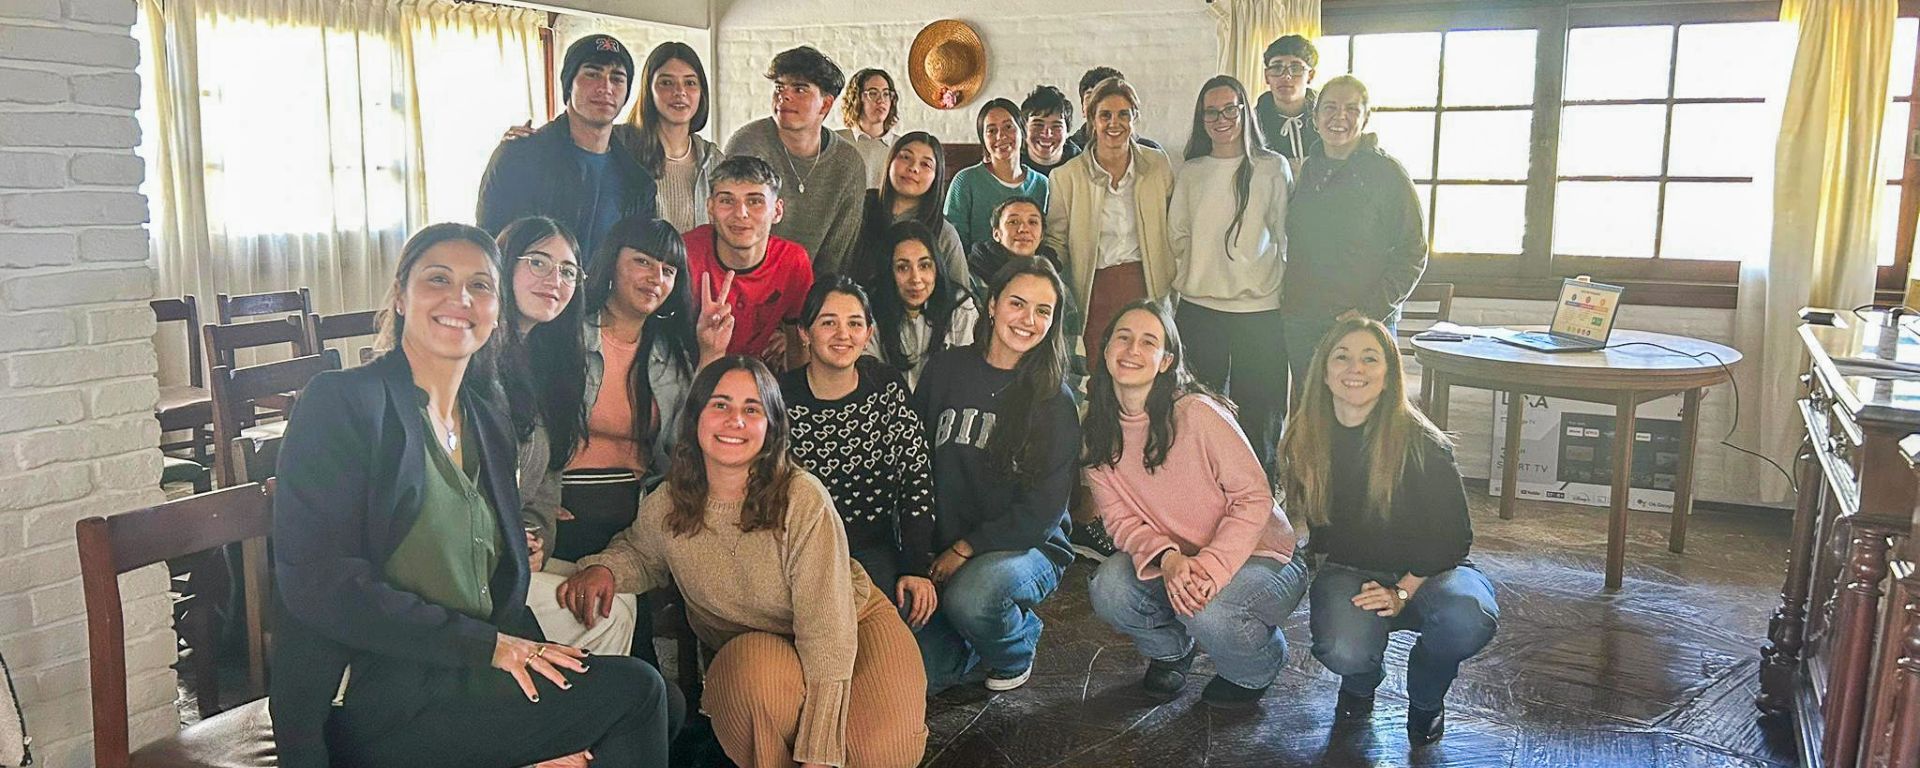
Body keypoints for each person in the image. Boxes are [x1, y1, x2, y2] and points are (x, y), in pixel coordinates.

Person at [270, 223, 671, 768]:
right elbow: (321, 584)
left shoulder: (484, 420)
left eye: (480, 285)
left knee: (658, 703)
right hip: (382, 692)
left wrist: (537, 677)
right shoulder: (345, 402)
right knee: (637, 694)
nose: (460, 299)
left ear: (497, 309)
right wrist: (491, 650)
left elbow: (501, 585)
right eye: (438, 279)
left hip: (466, 678)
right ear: (400, 295)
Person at [560, 357, 929, 768]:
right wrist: (605, 568)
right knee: (752, 687)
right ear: (696, 417)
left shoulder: (802, 498)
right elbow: (641, 553)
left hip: (850, 626)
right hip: (755, 650)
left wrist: (819, 753)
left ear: (771, 426)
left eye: (752, 409)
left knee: (881, 754)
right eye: (720, 404)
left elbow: (827, 631)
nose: (735, 420)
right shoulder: (668, 502)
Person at [1278, 317, 1497, 746]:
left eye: (1369, 358)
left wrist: (1402, 591)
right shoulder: (1306, 437)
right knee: (1344, 649)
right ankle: (1361, 678)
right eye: (1342, 357)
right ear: (1323, 372)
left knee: (1467, 618)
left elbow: (1454, 538)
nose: (1354, 369)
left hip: (1434, 572)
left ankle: (1427, 697)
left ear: (1389, 374)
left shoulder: (1422, 442)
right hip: (1351, 569)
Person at [1083, 301, 1307, 708]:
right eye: (1123, 337)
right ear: (1106, 348)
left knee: (1207, 610)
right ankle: (1172, 651)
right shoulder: (1099, 432)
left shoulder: (1197, 413)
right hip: (1179, 558)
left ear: (1166, 361)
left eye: (1148, 342)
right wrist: (1168, 559)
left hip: (1264, 556)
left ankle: (1258, 665)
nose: (1132, 350)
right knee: (1109, 587)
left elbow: (1254, 498)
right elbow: (1119, 522)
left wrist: (1210, 568)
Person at [560, 216, 733, 666]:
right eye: (642, 262)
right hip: (566, 506)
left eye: (668, 270)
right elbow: (529, 430)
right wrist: (535, 502)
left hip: (636, 507)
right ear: (611, 263)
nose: (656, 278)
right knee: (604, 616)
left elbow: (685, 444)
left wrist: (710, 353)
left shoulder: (667, 353)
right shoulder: (567, 334)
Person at [912, 258, 1079, 693]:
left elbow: (1042, 513)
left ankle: (1017, 644)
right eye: (1017, 304)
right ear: (992, 305)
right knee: (918, 674)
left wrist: (965, 549)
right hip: (944, 546)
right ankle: (971, 634)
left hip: (1026, 547)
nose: (1028, 320)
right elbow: (913, 462)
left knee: (974, 598)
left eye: (1043, 311)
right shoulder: (946, 369)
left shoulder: (1055, 400)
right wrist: (917, 549)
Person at [490, 217, 639, 657]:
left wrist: (535, 537)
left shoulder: (546, 366)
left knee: (615, 596)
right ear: (502, 266)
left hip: (513, 554)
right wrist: (510, 543)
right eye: (538, 262)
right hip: (470, 568)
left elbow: (545, 487)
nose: (554, 280)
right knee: (609, 615)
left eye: (568, 271)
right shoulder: (477, 361)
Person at [779, 277, 939, 628]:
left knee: (900, 622)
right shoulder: (780, 398)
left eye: (854, 324)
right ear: (804, 333)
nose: (843, 334)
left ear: (868, 334)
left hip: (871, 548)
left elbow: (916, 478)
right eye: (828, 323)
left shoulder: (886, 385)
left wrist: (915, 566)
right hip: (798, 552)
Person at [1169, 75, 1293, 474]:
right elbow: (1177, 236)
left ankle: (1262, 495)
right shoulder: (1192, 171)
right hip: (1199, 309)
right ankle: (1205, 492)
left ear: (1245, 112)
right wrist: (1203, 270)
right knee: (1199, 412)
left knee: (1261, 414)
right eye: (1211, 112)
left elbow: (1286, 235)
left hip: (1259, 311)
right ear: (1201, 118)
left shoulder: (1272, 168)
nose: (1221, 119)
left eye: (1229, 109)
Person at [1280, 74, 1427, 387]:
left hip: (1363, 324)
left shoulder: (1388, 174)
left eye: (1351, 109)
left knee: (1364, 410)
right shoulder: (1309, 170)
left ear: (1366, 117)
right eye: (1330, 108)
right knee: (1310, 408)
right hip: (1304, 322)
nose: (1339, 117)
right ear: (1315, 118)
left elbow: (1413, 252)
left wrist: (1368, 311)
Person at [499, 42, 719, 236]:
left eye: (690, 83)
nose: (680, 92)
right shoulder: (618, 146)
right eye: (666, 82)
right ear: (648, 90)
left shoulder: (714, 160)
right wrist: (525, 144)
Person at [478, 34, 656, 261]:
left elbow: (639, 260)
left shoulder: (637, 181)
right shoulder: (520, 157)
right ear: (569, 84)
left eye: (617, 78)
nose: (606, 87)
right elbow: (489, 246)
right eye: (592, 74)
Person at [1044, 76, 1176, 367]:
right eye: (1105, 115)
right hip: (1093, 291)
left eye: (1123, 114)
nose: (1114, 123)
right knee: (1098, 370)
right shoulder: (1066, 177)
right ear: (1092, 120)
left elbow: (1174, 228)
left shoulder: (1158, 165)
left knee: (1144, 367)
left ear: (1134, 117)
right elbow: (1057, 242)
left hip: (1148, 286)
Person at [726, 46, 868, 276]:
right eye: (779, 87)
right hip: (748, 282)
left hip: (815, 288)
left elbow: (837, 256)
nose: (784, 96)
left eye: (799, 89)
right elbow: (732, 232)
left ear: (825, 104)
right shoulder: (748, 144)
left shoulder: (848, 163)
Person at [683, 155, 814, 366]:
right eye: (727, 201)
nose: (740, 213)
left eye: (755, 201)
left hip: (755, 374)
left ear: (777, 211)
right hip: (688, 371)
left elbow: (797, 343)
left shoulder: (792, 262)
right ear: (710, 208)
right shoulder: (686, 253)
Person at [866, 221, 977, 389]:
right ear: (888, 271)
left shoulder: (960, 306)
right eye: (903, 268)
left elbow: (966, 379)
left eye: (924, 266)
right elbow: (869, 378)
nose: (916, 279)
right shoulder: (871, 308)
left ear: (937, 267)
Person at [850, 131, 967, 288]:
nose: (913, 168)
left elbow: (961, 294)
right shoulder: (858, 211)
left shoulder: (944, 233)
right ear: (890, 162)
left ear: (936, 176)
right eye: (905, 157)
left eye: (925, 164)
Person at [945, 98, 1050, 253]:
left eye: (1008, 127)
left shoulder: (1042, 184)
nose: (1001, 136)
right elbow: (952, 243)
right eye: (991, 131)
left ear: (1022, 130)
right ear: (983, 139)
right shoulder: (965, 181)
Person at [1253, 34, 1322, 168]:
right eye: (1277, 68)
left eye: (1295, 68)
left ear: (1310, 76)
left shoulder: (1327, 120)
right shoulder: (1251, 123)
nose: (1286, 76)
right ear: (1267, 76)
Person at [1065, 67, 1162, 151]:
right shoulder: (1068, 152)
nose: (1098, 105)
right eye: (1090, 97)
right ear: (1083, 107)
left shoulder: (1151, 152)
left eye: (1106, 98)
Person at [836, 68, 902, 189]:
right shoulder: (837, 141)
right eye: (873, 93)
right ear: (857, 97)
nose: (881, 100)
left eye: (886, 94)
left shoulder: (901, 146)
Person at [1020, 85, 1080, 177]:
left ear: (1067, 132)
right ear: (1023, 128)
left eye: (1056, 126)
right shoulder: (1010, 164)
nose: (1047, 134)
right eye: (1038, 125)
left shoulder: (1082, 167)